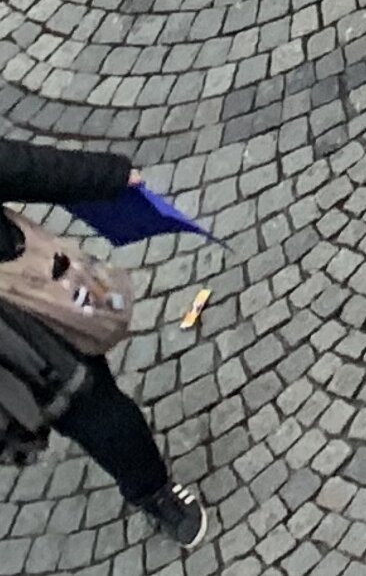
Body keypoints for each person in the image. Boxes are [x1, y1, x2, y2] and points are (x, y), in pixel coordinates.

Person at [0, 135, 209, 545]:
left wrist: (106, 176)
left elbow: (18, 166)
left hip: (21, 325)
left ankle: (152, 490)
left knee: (89, 406)